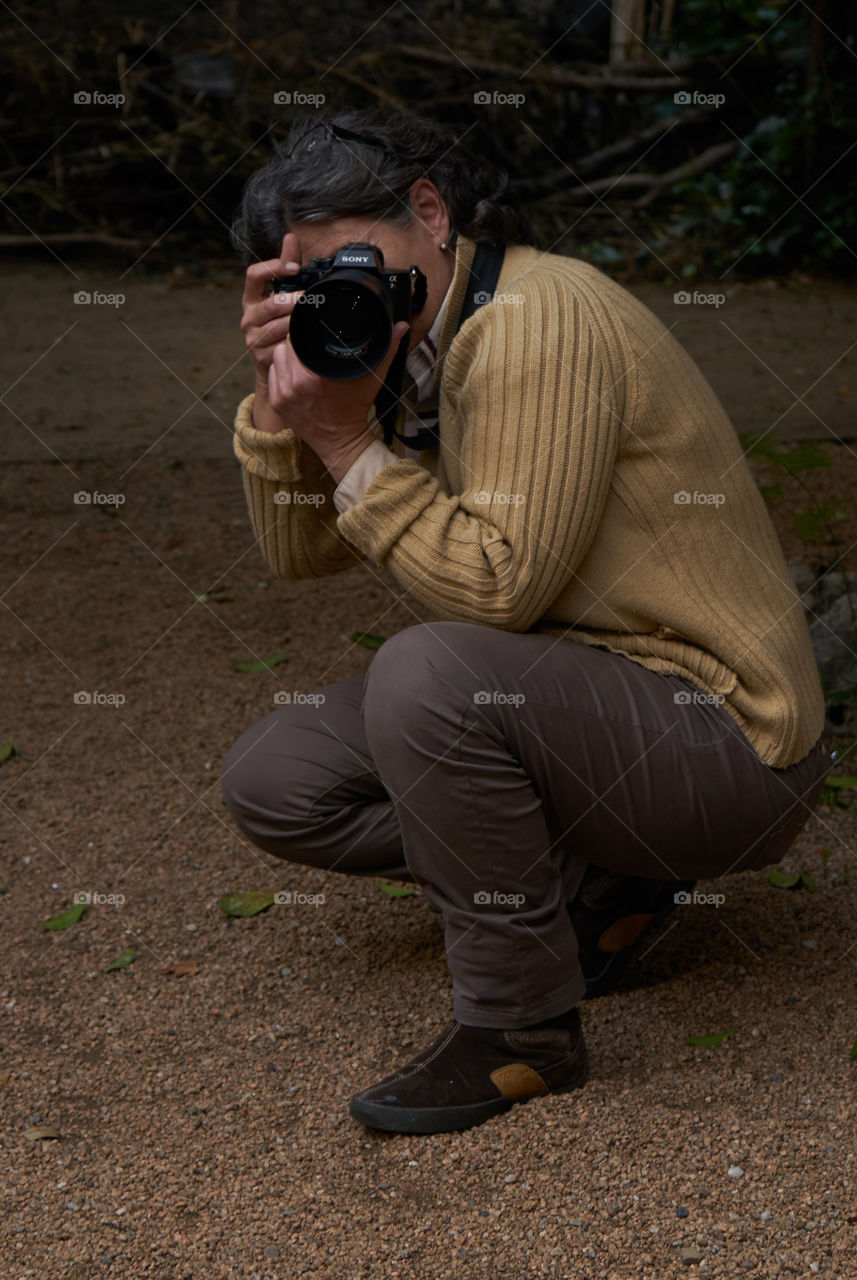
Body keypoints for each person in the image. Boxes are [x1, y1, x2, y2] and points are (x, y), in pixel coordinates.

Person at [220, 108, 833, 1135]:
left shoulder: (531, 321)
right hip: (591, 696)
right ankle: (605, 878)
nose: (345, 296)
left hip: (728, 738)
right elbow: (298, 555)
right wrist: (283, 409)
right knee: (277, 778)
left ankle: (520, 1029)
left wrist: (342, 448)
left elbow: (496, 589)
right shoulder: (412, 338)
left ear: (431, 213)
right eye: (311, 283)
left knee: (430, 673)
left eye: (355, 263)